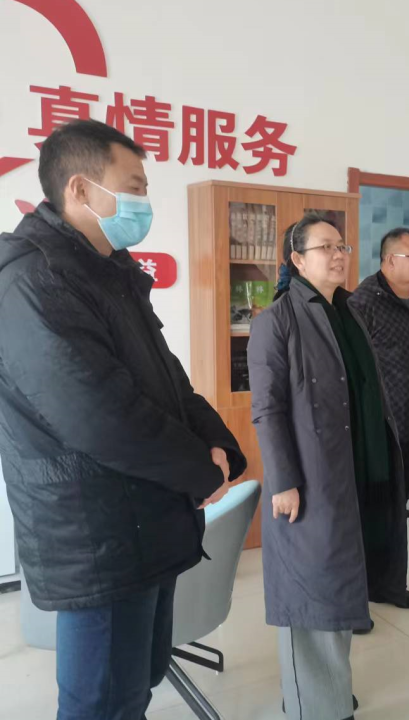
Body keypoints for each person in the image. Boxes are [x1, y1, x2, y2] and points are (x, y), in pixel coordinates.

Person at [0, 119, 245, 720]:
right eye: (133, 186)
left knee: (135, 686)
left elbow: (167, 379)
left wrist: (219, 444)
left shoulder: (110, 271)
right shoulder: (35, 280)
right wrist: (198, 469)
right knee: (102, 703)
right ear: (80, 189)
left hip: (144, 517)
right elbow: (99, 415)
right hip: (99, 534)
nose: (144, 202)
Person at [249, 213, 407, 720]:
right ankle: (314, 706)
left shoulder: (347, 311)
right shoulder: (276, 321)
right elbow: (267, 408)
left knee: (339, 587)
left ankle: (328, 691)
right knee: (311, 592)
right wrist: (284, 481)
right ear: (297, 260)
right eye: (325, 247)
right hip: (309, 479)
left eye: (342, 246)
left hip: (351, 471)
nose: (339, 255)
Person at [353, 227, 409, 610]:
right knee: (373, 513)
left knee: (395, 511)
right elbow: (352, 371)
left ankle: (386, 584)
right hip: (379, 431)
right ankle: (361, 590)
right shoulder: (363, 303)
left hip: (408, 427)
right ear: (388, 261)